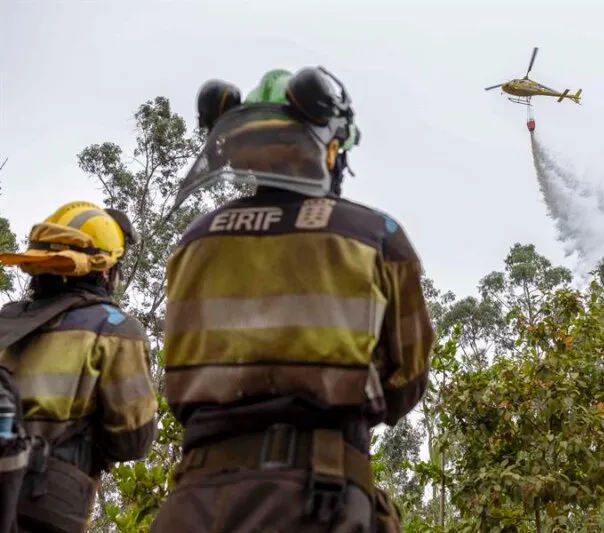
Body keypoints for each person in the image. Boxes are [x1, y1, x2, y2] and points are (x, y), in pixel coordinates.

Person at [149, 66, 434, 533]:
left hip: (194, 504)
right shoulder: (373, 237)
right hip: (319, 499)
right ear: (332, 148)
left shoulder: (193, 242)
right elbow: (407, 379)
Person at [0, 202, 158, 533]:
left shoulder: (7, 321)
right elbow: (133, 441)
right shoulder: (115, 328)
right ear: (105, 269)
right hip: (43, 507)